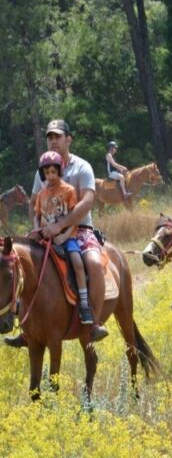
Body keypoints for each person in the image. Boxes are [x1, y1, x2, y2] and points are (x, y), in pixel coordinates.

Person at [5, 119, 108, 348]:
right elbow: (34, 203)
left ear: (68, 139)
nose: (53, 141)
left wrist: (60, 225)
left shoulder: (82, 167)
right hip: (45, 229)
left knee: (92, 262)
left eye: (58, 136)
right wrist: (37, 226)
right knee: (22, 264)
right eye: (50, 137)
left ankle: (93, 322)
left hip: (79, 229)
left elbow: (87, 202)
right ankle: (26, 328)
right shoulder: (41, 170)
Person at [33, 151, 94, 325]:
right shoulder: (41, 194)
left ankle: (84, 304)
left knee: (77, 261)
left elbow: (74, 220)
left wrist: (63, 236)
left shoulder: (69, 190)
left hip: (67, 237)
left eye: (53, 172)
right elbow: (36, 216)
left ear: (60, 171)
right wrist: (37, 231)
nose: (50, 176)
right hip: (44, 238)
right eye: (47, 173)